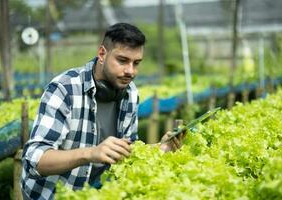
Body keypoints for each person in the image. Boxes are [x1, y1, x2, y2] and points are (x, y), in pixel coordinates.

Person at [21, 22, 186, 200]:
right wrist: (91, 153)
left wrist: (158, 149)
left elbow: (125, 152)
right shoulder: (64, 89)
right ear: (102, 54)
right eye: (122, 60)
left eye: (136, 63)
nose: (130, 71)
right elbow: (34, 159)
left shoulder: (130, 93)